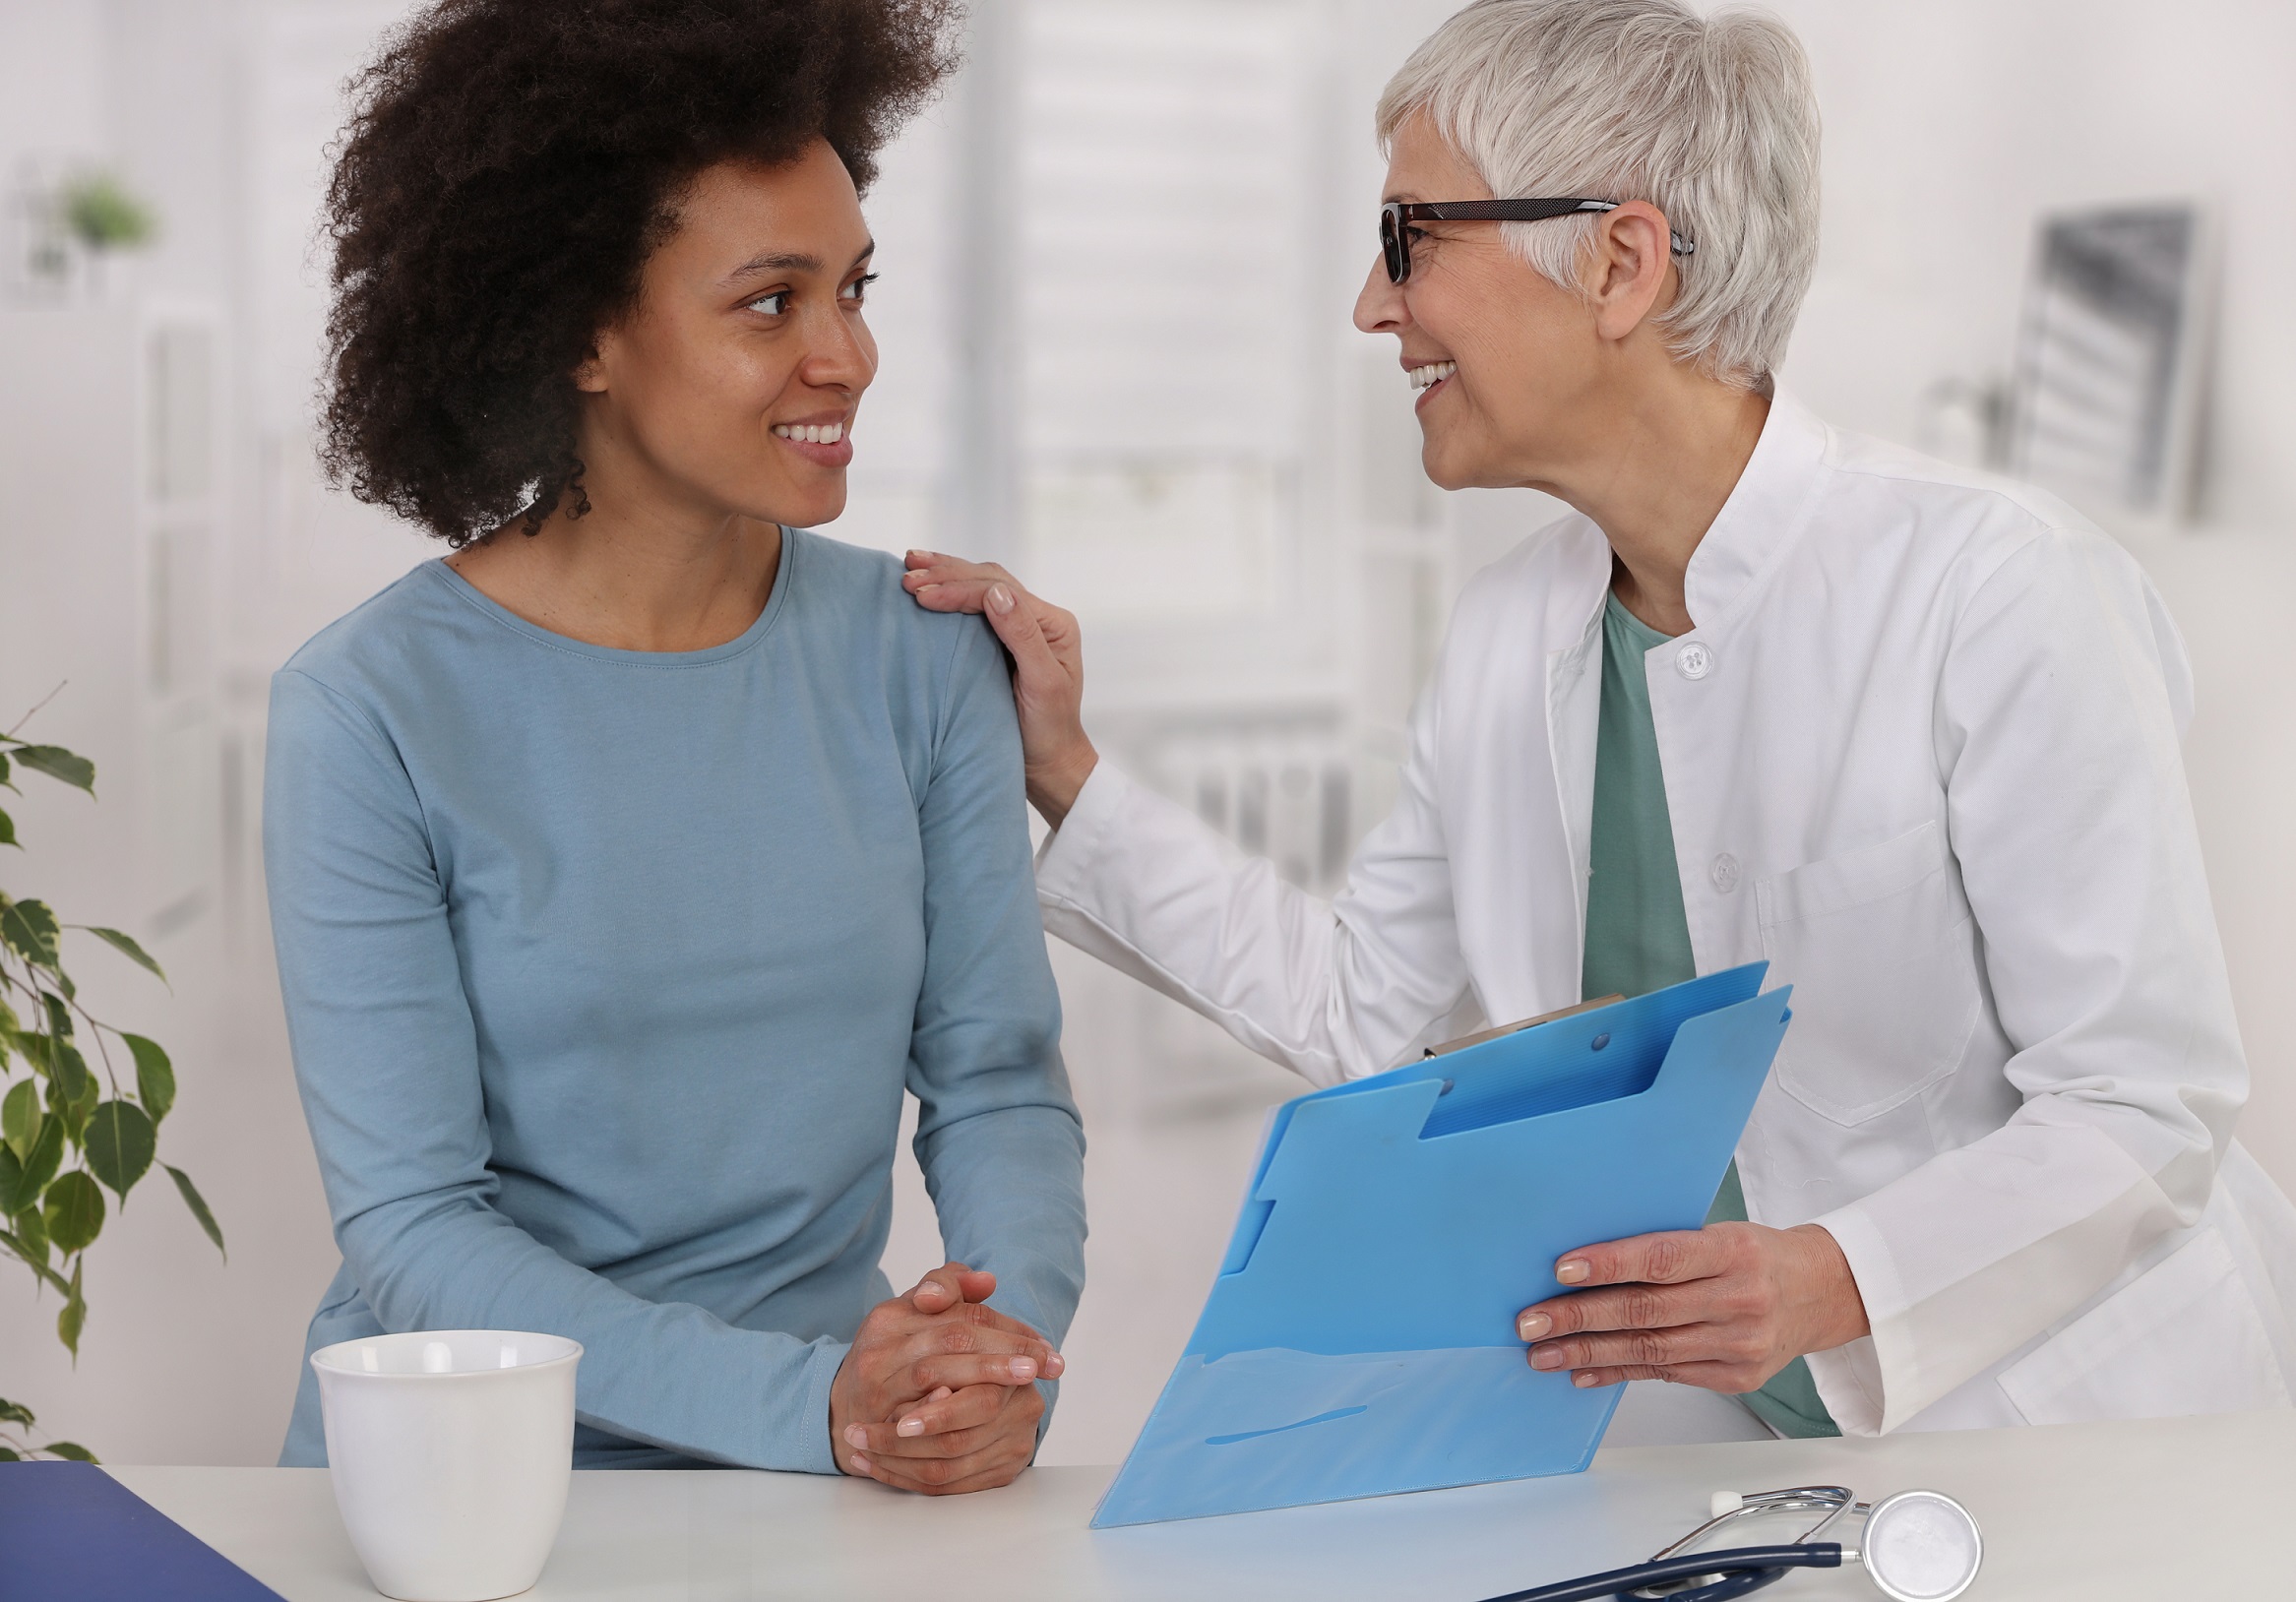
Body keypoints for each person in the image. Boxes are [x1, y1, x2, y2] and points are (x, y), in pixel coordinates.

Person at [905, 0, 2296, 1441]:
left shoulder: (1994, 588)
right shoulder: (1512, 632)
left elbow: (2143, 1104)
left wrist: (1830, 1280)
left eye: (1411, 239)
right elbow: (1359, 1009)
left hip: (2091, 1442)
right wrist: (1061, 769)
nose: (1372, 307)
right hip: (1751, 1450)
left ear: (1621, 263)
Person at [265, 0, 1084, 1495]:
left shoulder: (919, 650)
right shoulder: (371, 707)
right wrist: (820, 1406)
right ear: (578, 329)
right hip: (467, 1482)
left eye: (853, 287)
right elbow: (414, 1229)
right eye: (770, 303)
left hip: (830, 1475)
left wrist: (990, 1359)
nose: (844, 355)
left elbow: (997, 1084)